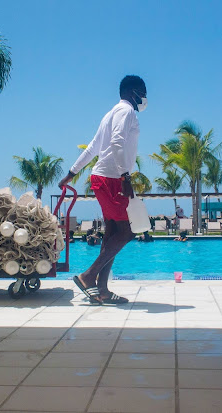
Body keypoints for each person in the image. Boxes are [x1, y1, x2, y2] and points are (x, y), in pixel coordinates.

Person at [58, 75, 147, 305]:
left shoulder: (110, 114)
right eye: (143, 91)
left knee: (111, 234)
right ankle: (88, 276)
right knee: (128, 231)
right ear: (132, 91)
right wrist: (125, 176)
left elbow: (92, 148)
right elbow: (116, 143)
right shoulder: (126, 112)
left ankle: (103, 290)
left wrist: (71, 173)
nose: (145, 97)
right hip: (112, 179)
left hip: (104, 177)